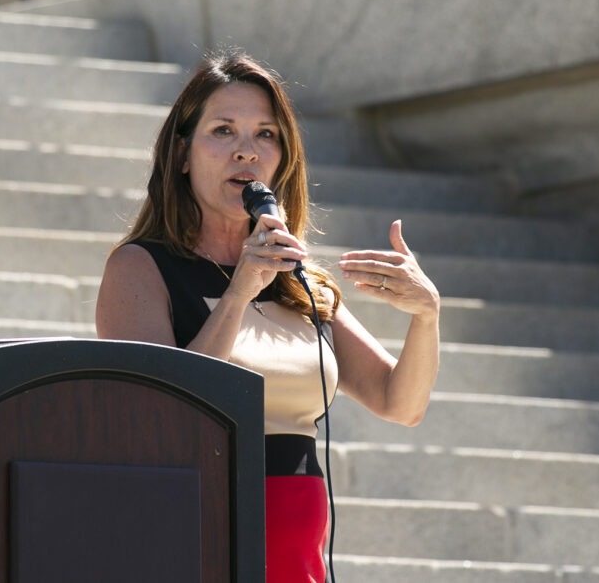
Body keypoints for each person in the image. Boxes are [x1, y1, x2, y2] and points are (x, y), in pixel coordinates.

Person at [95, 51, 440, 583]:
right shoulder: (141, 269)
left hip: (298, 565)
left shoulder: (302, 282)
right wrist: (238, 294)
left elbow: (401, 403)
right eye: (223, 131)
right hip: (193, 542)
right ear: (183, 154)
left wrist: (426, 315)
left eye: (265, 135)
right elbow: (159, 414)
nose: (246, 152)